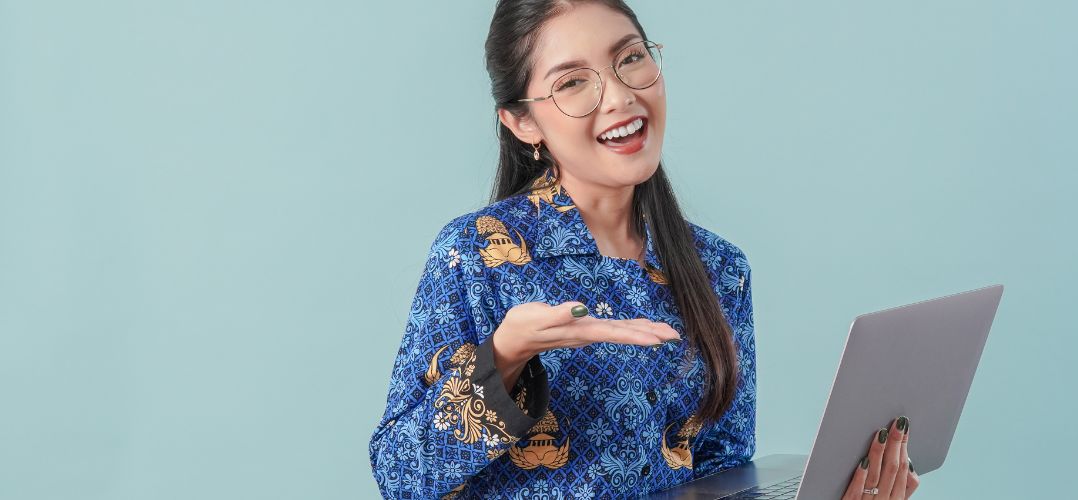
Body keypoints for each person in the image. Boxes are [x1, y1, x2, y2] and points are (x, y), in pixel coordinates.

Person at [367, 1, 917, 498]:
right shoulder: (479, 254)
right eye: (573, 83)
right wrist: (504, 360)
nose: (621, 97)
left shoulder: (719, 269)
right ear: (523, 122)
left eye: (629, 59)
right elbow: (399, 476)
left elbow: (720, 470)